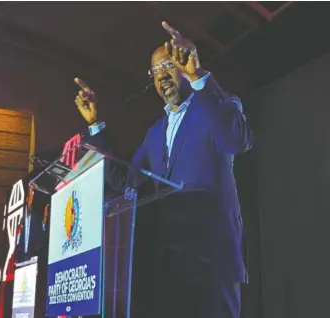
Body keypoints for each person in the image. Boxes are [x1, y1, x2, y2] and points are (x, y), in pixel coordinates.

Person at [74, 21, 254, 318]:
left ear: (185, 65)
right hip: (170, 265)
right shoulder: (154, 133)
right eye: (155, 71)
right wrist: (94, 125)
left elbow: (236, 140)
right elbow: (124, 181)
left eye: (169, 65)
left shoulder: (217, 104)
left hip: (212, 259)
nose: (161, 76)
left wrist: (199, 76)